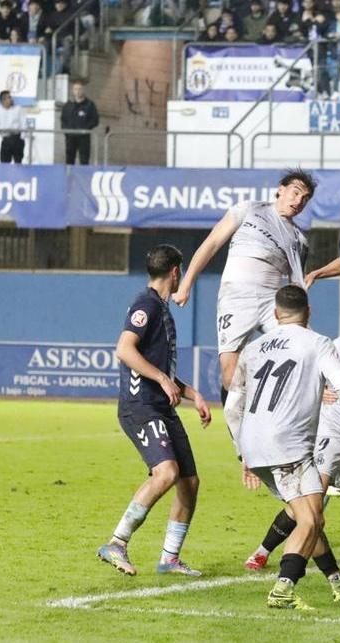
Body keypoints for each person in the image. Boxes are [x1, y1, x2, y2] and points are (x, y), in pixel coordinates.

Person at [224, 285, 340, 610]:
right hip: (288, 445)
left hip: (254, 444)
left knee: (312, 516)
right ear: (308, 312)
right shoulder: (317, 342)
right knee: (308, 520)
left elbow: (231, 407)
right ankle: (283, 588)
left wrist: (242, 453)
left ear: (276, 315)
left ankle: (339, 583)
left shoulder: (254, 348)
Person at [96, 245, 212, 578]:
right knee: (167, 473)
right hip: (140, 405)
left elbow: (157, 366)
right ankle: (116, 542)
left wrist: (193, 394)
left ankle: (170, 559)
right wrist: (161, 378)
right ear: (176, 271)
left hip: (161, 406)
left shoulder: (161, 308)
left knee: (189, 482)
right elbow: (124, 349)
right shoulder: (146, 304)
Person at [173, 169, 314, 404]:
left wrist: (303, 312)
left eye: (305, 198)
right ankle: (240, 432)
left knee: (308, 350)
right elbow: (212, 243)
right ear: (281, 189)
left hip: (274, 302)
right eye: (295, 192)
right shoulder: (250, 209)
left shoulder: (299, 238)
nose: (298, 200)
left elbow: (296, 283)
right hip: (237, 296)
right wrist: (186, 283)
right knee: (230, 376)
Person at [60, 79, 99, 165]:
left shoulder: (89, 105)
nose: (77, 91)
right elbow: (63, 120)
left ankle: (84, 177)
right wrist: (66, 131)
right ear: (73, 91)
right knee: (69, 160)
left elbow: (95, 120)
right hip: (70, 137)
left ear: (83, 90)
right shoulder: (68, 105)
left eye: (80, 89)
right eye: (75, 89)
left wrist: (85, 129)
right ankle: (68, 177)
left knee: (84, 160)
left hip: (83, 137)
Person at [0, 90, 25, 164]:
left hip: (17, 139)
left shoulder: (18, 109)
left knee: (18, 163)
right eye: (9, 97)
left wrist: (22, 138)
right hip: (6, 139)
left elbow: (23, 123)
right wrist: (6, 130)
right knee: (4, 164)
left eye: (10, 97)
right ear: (3, 100)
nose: (11, 99)